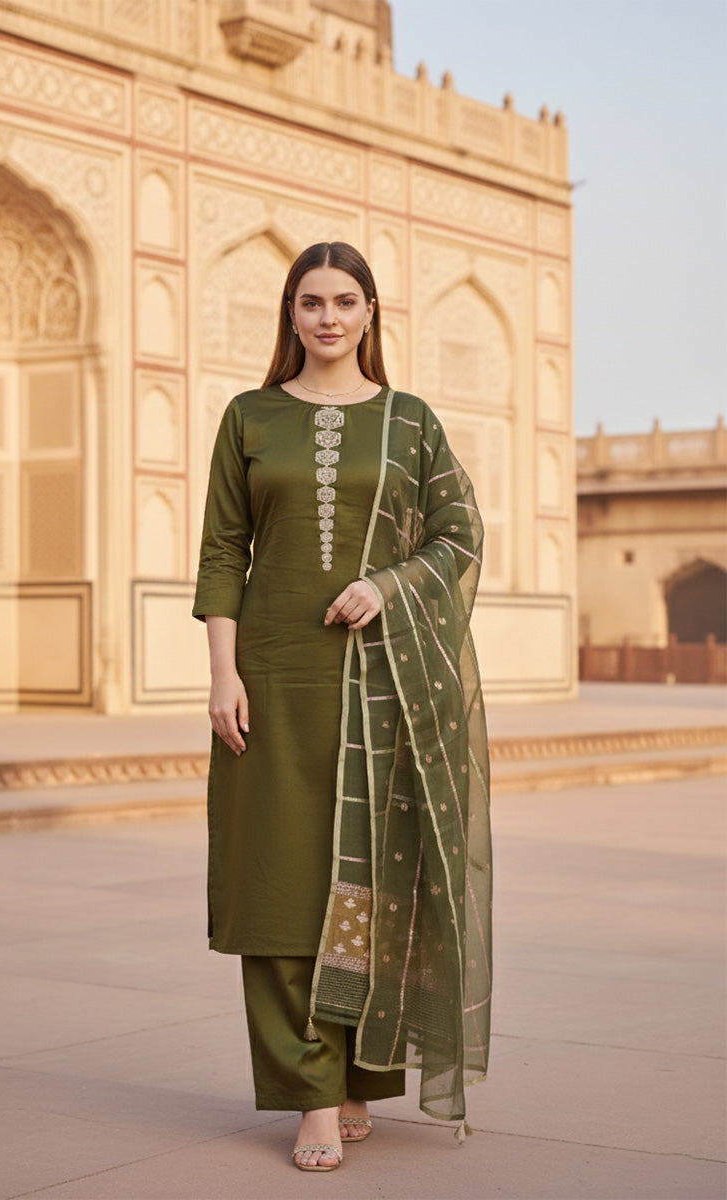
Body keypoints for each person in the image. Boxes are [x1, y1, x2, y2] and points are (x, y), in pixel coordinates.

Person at [193, 242, 491, 1172]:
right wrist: (222, 674)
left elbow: (460, 534)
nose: (327, 317)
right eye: (310, 301)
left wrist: (390, 585)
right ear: (290, 314)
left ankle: (355, 1071)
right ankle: (309, 1094)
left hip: (381, 686)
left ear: (370, 314)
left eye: (345, 301)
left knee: (364, 879)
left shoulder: (409, 422)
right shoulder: (251, 417)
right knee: (280, 883)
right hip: (274, 680)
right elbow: (221, 553)